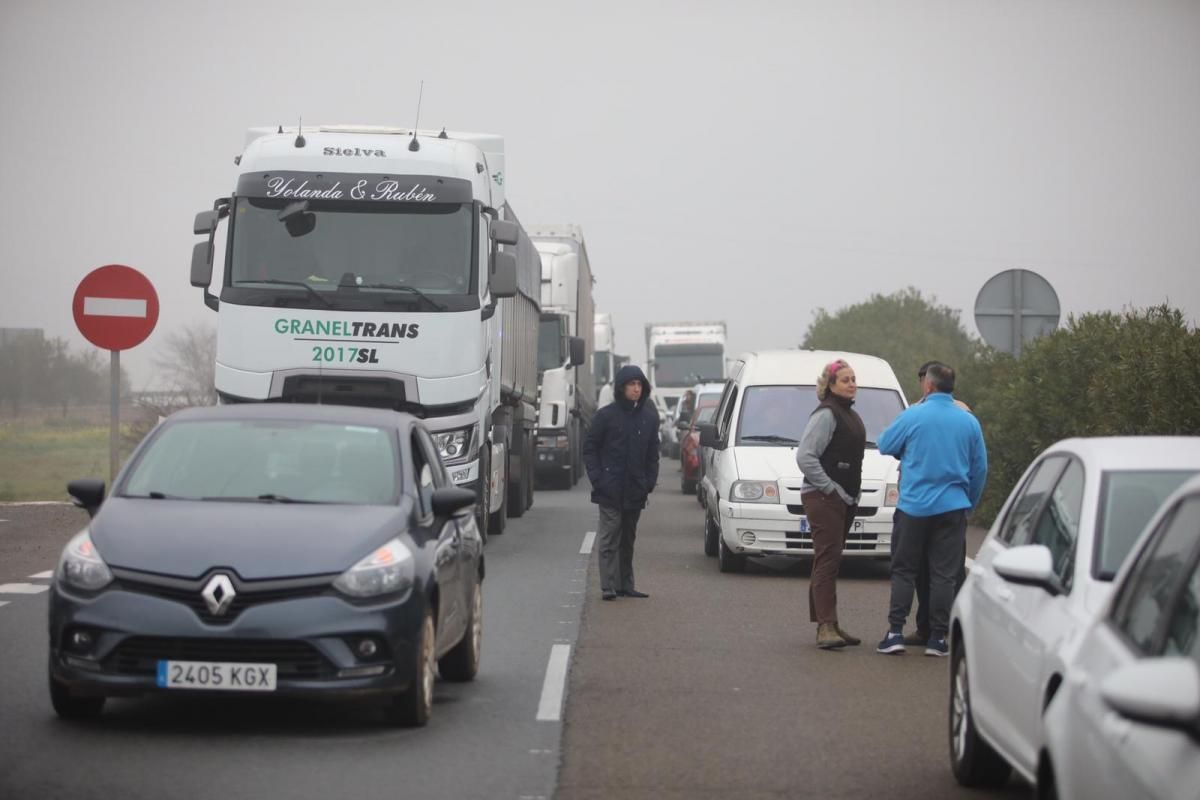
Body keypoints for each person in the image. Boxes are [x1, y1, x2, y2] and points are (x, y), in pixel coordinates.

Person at [876, 362, 987, 657]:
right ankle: (938, 638)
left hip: (913, 507)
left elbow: (884, 444)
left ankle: (895, 632)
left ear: (928, 386)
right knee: (944, 574)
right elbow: (980, 469)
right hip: (952, 508)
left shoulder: (914, 415)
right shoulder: (968, 421)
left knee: (904, 571)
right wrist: (969, 504)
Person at [795, 359, 866, 649]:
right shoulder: (826, 414)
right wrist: (830, 489)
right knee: (827, 561)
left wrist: (850, 494)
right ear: (830, 385)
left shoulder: (849, 413)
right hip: (823, 497)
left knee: (829, 560)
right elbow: (805, 456)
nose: (852, 383)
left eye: (853, 379)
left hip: (844, 497)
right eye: (845, 379)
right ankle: (825, 627)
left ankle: (831, 622)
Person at [901, 360, 974, 645]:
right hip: (937, 501)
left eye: (924, 379)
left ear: (929, 382)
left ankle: (953, 628)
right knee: (921, 570)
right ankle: (927, 628)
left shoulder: (960, 410)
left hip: (934, 503)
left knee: (949, 571)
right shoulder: (914, 410)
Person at [583, 364, 660, 601]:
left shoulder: (648, 418)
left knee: (628, 540)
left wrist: (648, 482)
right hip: (610, 489)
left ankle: (626, 584)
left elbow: (652, 454)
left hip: (635, 490)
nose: (636, 389)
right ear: (621, 388)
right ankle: (608, 585)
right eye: (631, 385)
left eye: (639, 385)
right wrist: (598, 479)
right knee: (610, 537)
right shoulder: (605, 416)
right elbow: (590, 448)